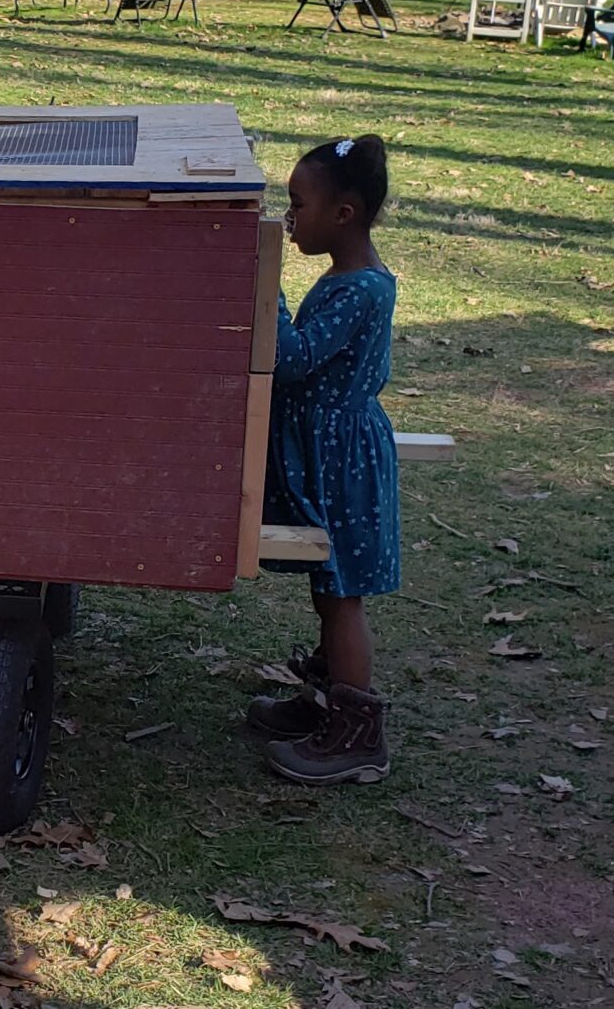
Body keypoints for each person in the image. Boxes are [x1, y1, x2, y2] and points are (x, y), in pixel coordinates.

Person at [246, 135, 400, 786]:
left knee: (341, 597)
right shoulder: (345, 278)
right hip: (328, 456)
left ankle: (357, 737)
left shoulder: (361, 290)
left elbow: (294, 356)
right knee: (326, 589)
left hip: (344, 466)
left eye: (297, 205)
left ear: (343, 214)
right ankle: (322, 705)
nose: (289, 218)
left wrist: (267, 281)